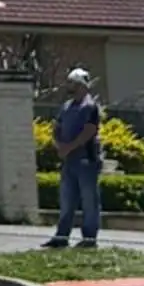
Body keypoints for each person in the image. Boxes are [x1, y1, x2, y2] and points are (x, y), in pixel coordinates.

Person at [46, 67, 104, 249]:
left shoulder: (90, 107)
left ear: (82, 85)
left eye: (73, 83)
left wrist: (69, 147)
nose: (69, 86)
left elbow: (89, 130)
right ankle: (62, 235)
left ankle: (89, 238)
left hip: (86, 159)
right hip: (68, 160)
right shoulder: (66, 107)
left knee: (88, 200)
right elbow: (57, 127)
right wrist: (59, 145)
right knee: (66, 199)